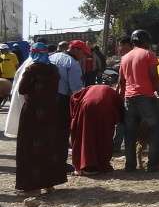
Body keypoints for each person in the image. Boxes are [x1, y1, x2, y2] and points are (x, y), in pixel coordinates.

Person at [15, 43, 67, 193]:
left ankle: (31, 184)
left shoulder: (32, 69)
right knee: (49, 146)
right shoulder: (54, 69)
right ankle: (49, 183)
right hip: (51, 113)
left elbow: (22, 89)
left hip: (32, 114)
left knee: (29, 147)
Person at [118, 29, 159, 172]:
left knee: (130, 133)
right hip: (146, 98)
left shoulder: (124, 58)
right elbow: (154, 78)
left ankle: (130, 165)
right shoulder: (149, 55)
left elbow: (121, 82)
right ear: (145, 41)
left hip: (129, 99)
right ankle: (153, 164)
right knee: (155, 130)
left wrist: (122, 99)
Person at [50, 40, 88, 171]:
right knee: (62, 132)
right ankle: (60, 163)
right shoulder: (73, 63)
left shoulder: (52, 57)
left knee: (49, 131)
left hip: (45, 99)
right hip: (62, 100)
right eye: (83, 53)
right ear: (76, 50)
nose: (84, 57)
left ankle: (48, 161)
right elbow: (76, 89)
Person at [69, 85, 123, 175]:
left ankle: (85, 165)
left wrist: (74, 115)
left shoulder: (89, 88)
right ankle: (100, 164)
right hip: (105, 108)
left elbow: (74, 97)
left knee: (85, 135)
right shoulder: (112, 92)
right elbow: (120, 110)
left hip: (86, 106)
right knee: (103, 135)